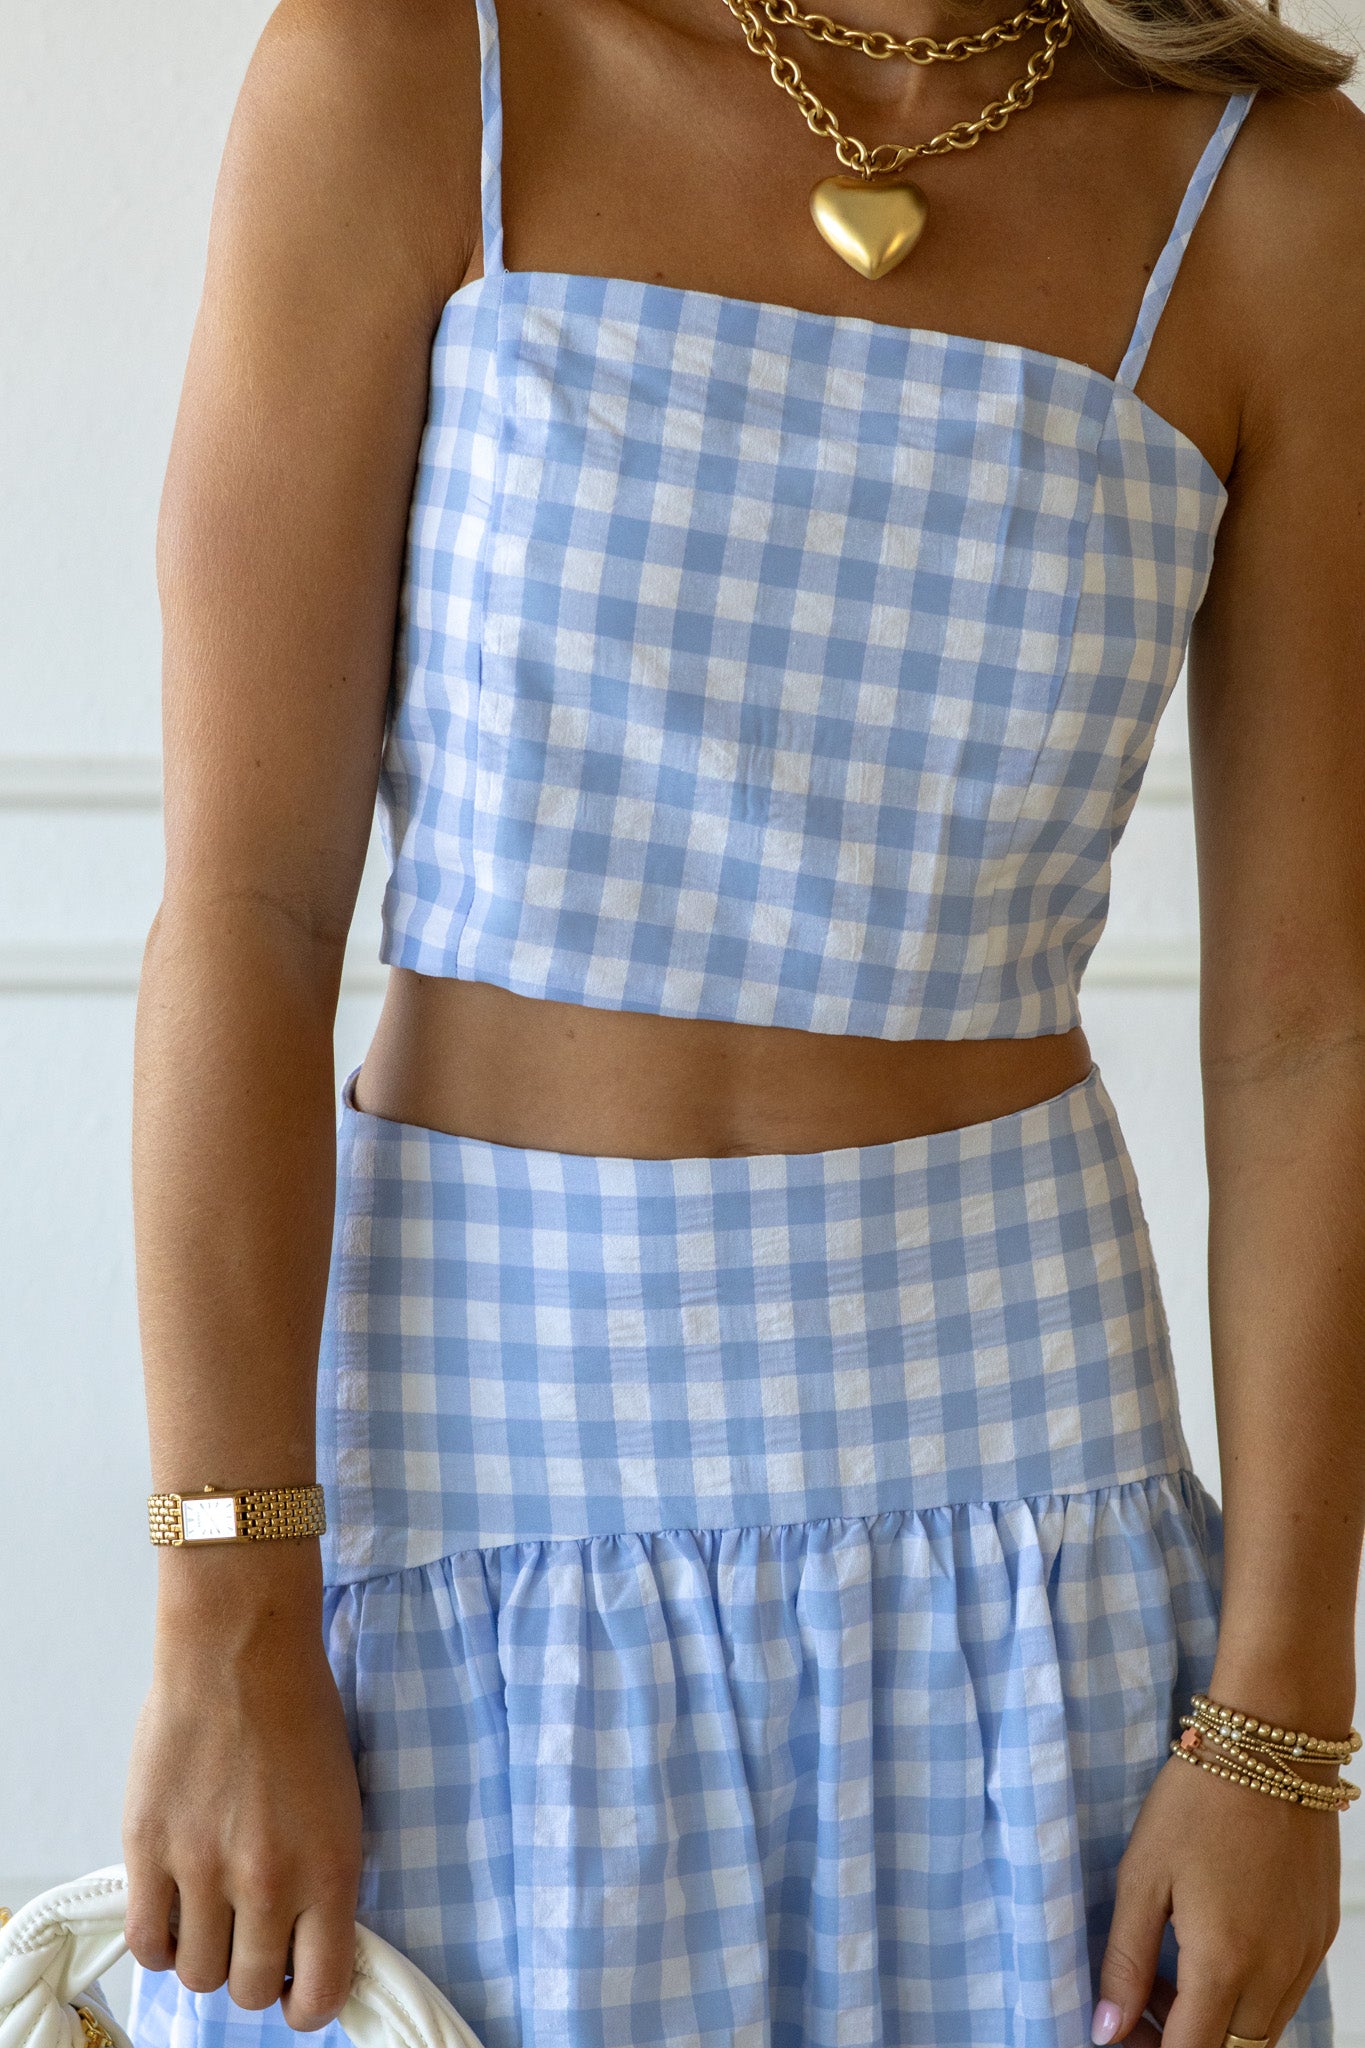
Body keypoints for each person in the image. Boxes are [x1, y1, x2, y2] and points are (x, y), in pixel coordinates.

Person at [119, 0, 1365, 2045]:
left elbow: (1309, 1034)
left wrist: (1277, 1732)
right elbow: (249, 914)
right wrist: (224, 1587)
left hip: (1021, 1522)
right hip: (463, 1486)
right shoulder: (424, 67)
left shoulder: (1267, 198)